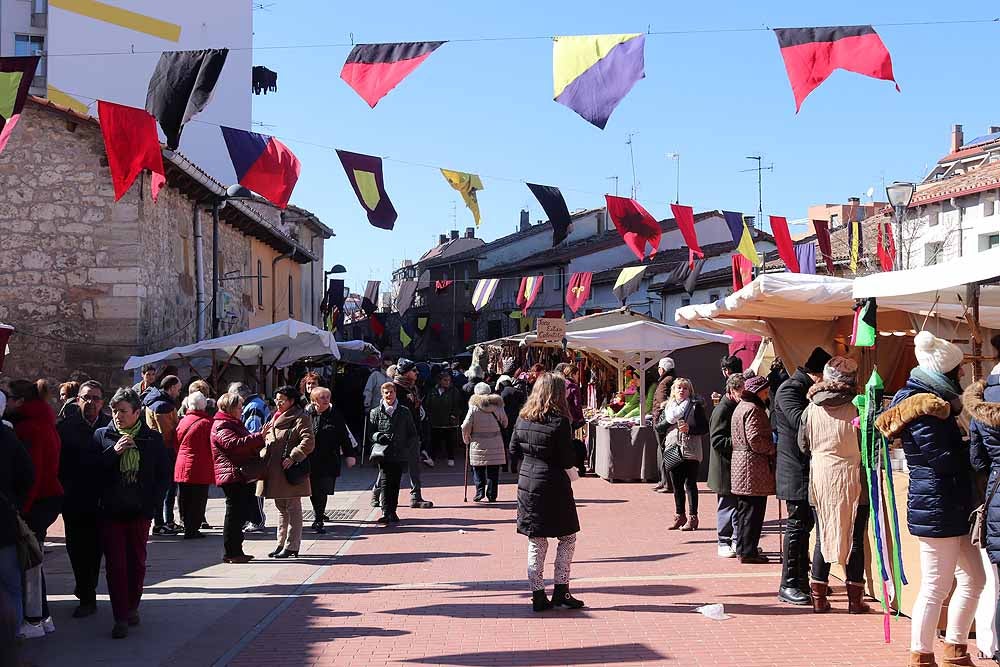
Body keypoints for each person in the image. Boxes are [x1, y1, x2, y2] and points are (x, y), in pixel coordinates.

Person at [877, 331, 984, 667]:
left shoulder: (935, 403)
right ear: (945, 372)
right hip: (937, 505)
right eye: (958, 371)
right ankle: (921, 655)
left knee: (974, 579)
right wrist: (975, 446)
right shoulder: (923, 407)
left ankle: (954, 647)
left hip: (950, 504)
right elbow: (945, 459)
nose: (963, 376)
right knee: (936, 586)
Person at [94, 387, 170, 639]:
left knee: (136, 562)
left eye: (123, 411)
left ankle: (132, 605)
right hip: (111, 511)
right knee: (115, 565)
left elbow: (162, 477)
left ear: (137, 412)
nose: (117, 416)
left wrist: (152, 506)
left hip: (139, 511)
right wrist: (113, 453)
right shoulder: (102, 436)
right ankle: (120, 617)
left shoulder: (152, 439)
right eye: (114, 411)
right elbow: (90, 472)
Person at [797, 357, 871, 615]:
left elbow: (803, 446)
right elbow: (868, 444)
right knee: (854, 539)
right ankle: (854, 600)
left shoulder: (810, 409)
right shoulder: (858, 408)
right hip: (853, 477)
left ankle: (818, 598)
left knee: (823, 535)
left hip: (821, 477)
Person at [510, 373, 583, 612]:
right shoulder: (560, 422)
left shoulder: (522, 417)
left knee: (537, 540)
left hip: (528, 482)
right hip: (554, 484)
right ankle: (561, 589)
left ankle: (537, 593)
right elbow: (566, 458)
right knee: (567, 537)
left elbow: (513, 449)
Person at [773, 347, 831, 605]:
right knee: (797, 526)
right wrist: (821, 399)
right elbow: (801, 421)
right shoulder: (790, 389)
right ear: (817, 375)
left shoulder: (801, 388)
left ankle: (803, 579)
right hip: (795, 471)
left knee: (806, 526)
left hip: (809, 469)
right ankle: (789, 584)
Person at [5, 379, 63, 635]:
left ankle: (35, 619)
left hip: (37, 501)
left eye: (8, 396)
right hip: (46, 499)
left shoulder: (29, 428)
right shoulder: (41, 421)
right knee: (33, 560)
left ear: (19, 401)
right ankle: (42, 617)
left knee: (30, 562)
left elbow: (33, 473)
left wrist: (21, 511)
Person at [57, 380, 110, 618]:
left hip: (102, 500)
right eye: (86, 397)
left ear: (103, 402)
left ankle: (88, 591)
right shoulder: (66, 428)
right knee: (77, 549)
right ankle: (85, 593)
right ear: (78, 399)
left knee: (96, 549)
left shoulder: (111, 427)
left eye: (96, 398)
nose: (91, 402)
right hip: (75, 500)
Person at [967, 363, 1000, 664]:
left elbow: (977, 460)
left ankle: (990, 644)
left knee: (994, 579)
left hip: (996, 492)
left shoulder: (980, 404)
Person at [258, 386, 314, 559]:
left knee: (292, 508)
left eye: (281, 399)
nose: (277, 402)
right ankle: (281, 543)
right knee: (281, 508)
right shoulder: (274, 417)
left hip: (289, 470)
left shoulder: (300, 417)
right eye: (276, 399)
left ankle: (292, 546)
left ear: (291, 401)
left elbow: (309, 440)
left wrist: (294, 456)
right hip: (274, 470)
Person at [210, 392, 266, 564]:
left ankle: (236, 550)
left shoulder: (231, 422)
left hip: (237, 473)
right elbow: (232, 444)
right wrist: (258, 437)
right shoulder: (222, 424)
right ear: (230, 408)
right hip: (233, 474)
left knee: (239, 514)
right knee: (234, 515)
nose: (242, 410)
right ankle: (231, 552)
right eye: (239, 407)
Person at [0, 390, 34, 645]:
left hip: (4, 522)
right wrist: (16, 504)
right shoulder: (7, 436)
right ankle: (12, 642)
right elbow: (27, 475)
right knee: (12, 586)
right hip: (4, 522)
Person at [730, 374, 774, 565]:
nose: (767, 394)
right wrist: (773, 448)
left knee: (744, 510)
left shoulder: (741, 407)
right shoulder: (754, 409)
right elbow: (755, 439)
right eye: (765, 391)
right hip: (752, 466)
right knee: (753, 511)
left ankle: (742, 548)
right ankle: (748, 551)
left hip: (742, 463)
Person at [656, 378, 708, 532]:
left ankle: (693, 517)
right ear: (673, 391)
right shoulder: (667, 407)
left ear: (689, 391)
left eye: (685, 388)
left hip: (690, 448)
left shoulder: (695, 406)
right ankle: (680, 515)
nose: (681, 391)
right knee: (676, 484)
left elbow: (704, 427)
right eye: (679, 388)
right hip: (672, 447)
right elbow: (658, 427)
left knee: (690, 483)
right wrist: (669, 421)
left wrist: (689, 429)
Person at [367, 383, 420, 525]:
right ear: (382, 394)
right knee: (385, 482)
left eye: (391, 392)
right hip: (383, 454)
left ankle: (393, 511)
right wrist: (378, 436)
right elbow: (370, 433)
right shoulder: (375, 412)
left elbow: (412, 433)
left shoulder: (404, 411)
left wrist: (409, 448)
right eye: (386, 393)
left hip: (400, 452)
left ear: (395, 393)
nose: (389, 395)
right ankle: (385, 512)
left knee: (395, 483)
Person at [306, 387, 356, 534]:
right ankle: (317, 514)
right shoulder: (307, 415)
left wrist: (350, 455)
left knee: (323, 489)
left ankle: (319, 519)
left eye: (328, 397)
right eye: (322, 397)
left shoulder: (335, 415)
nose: (326, 399)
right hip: (311, 459)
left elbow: (344, 437)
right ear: (314, 400)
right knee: (313, 490)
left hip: (329, 459)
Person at [708, 373, 745, 558]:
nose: (744, 394)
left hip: (733, 465)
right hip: (724, 467)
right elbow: (717, 440)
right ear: (732, 390)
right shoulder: (722, 410)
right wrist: (739, 441)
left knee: (736, 505)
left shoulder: (733, 406)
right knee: (727, 505)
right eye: (741, 391)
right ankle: (723, 540)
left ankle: (737, 540)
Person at [143, 375, 182, 535]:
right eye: (178, 389)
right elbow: (169, 432)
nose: (179, 393)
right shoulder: (164, 407)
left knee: (163, 488)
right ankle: (162, 523)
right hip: (165, 451)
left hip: (154, 449)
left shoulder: (152, 402)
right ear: (171, 387)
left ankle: (164, 522)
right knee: (166, 489)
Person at [391, 359, 433, 507]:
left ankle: (416, 496)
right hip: (397, 433)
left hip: (413, 431)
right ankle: (377, 494)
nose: (417, 373)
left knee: (414, 464)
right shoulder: (395, 388)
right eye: (413, 370)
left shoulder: (413, 388)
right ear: (405, 372)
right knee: (391, 465)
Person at [229, 382, 269, 533]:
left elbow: (253, 431)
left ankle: (257, 519)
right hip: (254, 451)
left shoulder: (252, 407)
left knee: (254, 488)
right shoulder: (254, 404)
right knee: (251, 488)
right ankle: (252, 518)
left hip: (254, 453)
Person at [174, 391, 214, 540]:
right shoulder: (207, 423)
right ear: (203, 406)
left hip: (182, 463)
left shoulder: (182, 421)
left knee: (184, 496)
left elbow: (176, 441)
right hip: (200, 465)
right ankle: (193, 528)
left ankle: (186, 524)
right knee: (198, 498)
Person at [463, 382, 508, 502]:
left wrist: (466, 437)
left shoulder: (474, 407)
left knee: (478, 468)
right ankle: (492, 494)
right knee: (493, 470)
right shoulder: (498, 406)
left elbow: (466, 425)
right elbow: (505, 422)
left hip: (477, 442)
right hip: (496, 442)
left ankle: (480, 492)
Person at [423, 371, 463, 467]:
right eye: (445, 380)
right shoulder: (433, 391)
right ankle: (432, 459)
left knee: (449, 440)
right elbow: (428, 404)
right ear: (439, 381)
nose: (447, 382)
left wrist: (454, 415)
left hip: (449, 421)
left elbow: (458, 404)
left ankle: (451, 458)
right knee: (434, 441)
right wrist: (429, 415)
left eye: (449, 380)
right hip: (435, 421)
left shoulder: (454, 391)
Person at [499, 374, 528, 474]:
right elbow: (523, 402)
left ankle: (504, 466)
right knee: (514, 444)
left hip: (504, 421)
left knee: (504, 445)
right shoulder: (516, 392)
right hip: (516, 420)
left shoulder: (501, 393)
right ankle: (514, 466)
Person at [651, 356, 676, 425]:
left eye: (659, 368)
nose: (658, 370)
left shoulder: (665, 381)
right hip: (671, 416)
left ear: (662, 369)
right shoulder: (673, 378)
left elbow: (661, 398)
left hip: (662, 416)